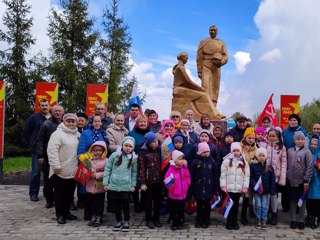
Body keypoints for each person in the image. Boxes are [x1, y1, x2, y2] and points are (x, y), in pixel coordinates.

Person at [47, 113, 80, 224]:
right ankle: (60, 215)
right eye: (68, 121)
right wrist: (55, 165)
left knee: (69, 193)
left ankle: (67, 212)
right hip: (60, 169)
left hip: (73, 169)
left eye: (73, 121)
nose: (71, 123)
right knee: (59, 193)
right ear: (64, 122)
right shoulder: (57, 134)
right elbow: (52, 150)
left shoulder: (78, 134)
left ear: (76, 122)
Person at [77, 114, 109, 220]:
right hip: (89, 162)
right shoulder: (86, 133)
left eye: (99, 121)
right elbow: (82, 149)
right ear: (91, 122)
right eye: (95, 121)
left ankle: (98, 213)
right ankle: (88, 213)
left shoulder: (103, 133)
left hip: (101, 164)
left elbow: (104, 148)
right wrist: (87, 162)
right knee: (89, 192)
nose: (97, 123)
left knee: (99, 194)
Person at [103, 136, 138, 232]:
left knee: (126, 205)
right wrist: (105, 182)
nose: (127, 148)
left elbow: (134, 172)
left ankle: (126, 220)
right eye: (126, 145)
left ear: (133, 148)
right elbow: (107, 169)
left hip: (126, 186)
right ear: (122, 145)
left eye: (130, 146)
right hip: (113, 185)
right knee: (116, 205)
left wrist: (133, 185)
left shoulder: (133, 158)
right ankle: (118, 220)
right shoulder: (115, 155)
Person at [36, 105, 64, 208]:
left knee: (59, 181)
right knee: (48, 180)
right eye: (56, 111)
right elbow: (39, 140)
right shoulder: (46, 124)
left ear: (63, 112)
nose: (58, 113)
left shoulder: (65, 124)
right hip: (48, 157)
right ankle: (49, 200)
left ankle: (58, 199)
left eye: (59, 111)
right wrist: (40, 155)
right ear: (52, 112)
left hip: (62, 157)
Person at [23, 99, 51, 202]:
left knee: (50, 173)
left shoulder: (53, 118)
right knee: (36, 172)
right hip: (37, 150)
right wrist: (33, 143)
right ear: (39, 107)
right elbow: (26, 132)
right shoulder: (33, 118)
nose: (44, 107)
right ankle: (33, 193)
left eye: (46, 105)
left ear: (49, 106)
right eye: (42, 105)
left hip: (51, 150)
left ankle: (48, 193)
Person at [260, 128, 287, 225]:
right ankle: (266, 213)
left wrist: (282, 178)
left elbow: (284, 163)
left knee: (274, 195)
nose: (271, 138)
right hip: (265, 175)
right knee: (266, 195)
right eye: (270, 136)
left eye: (273, 136)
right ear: (267, 136)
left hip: (276, 176)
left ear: (277, 136)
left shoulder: (281, 147)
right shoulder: (263, 145)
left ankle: (275, 214)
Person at [220, 142, 250, 230]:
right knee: (229, 205)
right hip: (229, 188)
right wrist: (223, 185)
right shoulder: (226, 161)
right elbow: (223, 174)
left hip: (238, 188)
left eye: (237, 150)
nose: (236, 152)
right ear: (231, 151)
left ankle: (235, 221)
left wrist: (245, 186)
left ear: (240, 151)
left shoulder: (244, 162)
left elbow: (247, 176)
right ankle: (229, 221)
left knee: (236, 205)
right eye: (234, 151)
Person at [287, 131, 313, 230]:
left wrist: (306, 179)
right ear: (294, 140)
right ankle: (293, 219)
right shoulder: (290, 151)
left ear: (304, 140)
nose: (300, 141)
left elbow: (310, 166)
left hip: (302, 181)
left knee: (302, 201)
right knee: (293, 200)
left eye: (302, 139)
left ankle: (301, 220)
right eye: (298, 139)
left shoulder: (307, 151)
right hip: (291, 181)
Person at [196, 25, 228, 106]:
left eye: (215, 30)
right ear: (209, 31)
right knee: (205, 85)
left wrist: (221, 62)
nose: (213, 32)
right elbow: (199, 56)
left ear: (217, 32)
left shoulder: (221, 43)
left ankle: (214, 105)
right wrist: (199, 70)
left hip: (216, 67)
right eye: (211, 30)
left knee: (215, 87)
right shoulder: (203, 42)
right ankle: (205, 103)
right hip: (206, 65)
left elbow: (226, 56)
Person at [190, 142, 219, 228]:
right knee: (199, 205)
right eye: (204, 152)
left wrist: (216, 188)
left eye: (207, 151)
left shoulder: (212, 161)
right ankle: (199, 220)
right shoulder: (195, 161)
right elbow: (192, 175)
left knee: (207, 206)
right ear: (199, 152)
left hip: (209, 188)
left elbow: (215, 175)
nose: (206, 153)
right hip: (198, 187)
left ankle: (206, 220)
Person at [282, 114, 307, 212]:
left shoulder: (302, 132)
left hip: (299, 162)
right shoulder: (284, 132)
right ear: (288, 121)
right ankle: (285, 206)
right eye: (291, 120)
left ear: (298, 121)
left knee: (297, 186)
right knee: (286, 184)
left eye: (294, 120)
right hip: (287, 161)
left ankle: (297, 207)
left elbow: (306, 146)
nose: (292, 122)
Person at [138, 132, 162, 229]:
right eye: (153, 142)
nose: (156, 143)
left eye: (156, 141)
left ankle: (156, 219)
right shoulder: (143, 152)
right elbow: (141, 169)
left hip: (159, 180)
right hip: (148, 181)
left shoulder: (159, 150)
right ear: (148, 142)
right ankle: (149, 219)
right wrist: (143, 183)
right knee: (148, 202)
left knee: (157, 202)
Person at [128, 114, 151, 212]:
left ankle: (143, 203)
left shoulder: (150, 133)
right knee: (135, 182)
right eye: (141, 122)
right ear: (137, 123)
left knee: (145, 181)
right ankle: (136, 203)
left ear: (147, 123)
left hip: (147, 162)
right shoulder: (132, 133)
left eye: (144, 122)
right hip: (134, 160)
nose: (142, 123)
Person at [250, 147, 276, 230]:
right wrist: (255, 186)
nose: (261, 157)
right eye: (260, 155)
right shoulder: (253, 166)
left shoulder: (269, 166)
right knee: (258, 204)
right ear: (257, 156)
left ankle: (264, 220)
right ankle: (258, 219)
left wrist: (272, 190)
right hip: (257, 190)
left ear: (266, 157)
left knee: (265, 205)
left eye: (263, 155)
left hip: (266, 190)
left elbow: (272, 179)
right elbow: (251, 177)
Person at [165, 150, 191, 231]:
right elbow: (167, 181)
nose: (181, 161)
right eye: (179, 159)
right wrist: (174, 189)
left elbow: (188, 177)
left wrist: (187, 185)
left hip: (183, 194)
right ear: (174, 159)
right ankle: (174, 222)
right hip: (174, 195)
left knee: (180, 209)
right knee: (174, 210)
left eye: (182, 159)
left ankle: (179, 222)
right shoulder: (171, 169)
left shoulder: (185, 168)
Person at [85, 141, 107, 227]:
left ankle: (99, 216)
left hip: (100, 186)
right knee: (92, 202)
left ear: (103, 151)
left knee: (100, 202)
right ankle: (93, 215)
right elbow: (84, 170)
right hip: (90, 185)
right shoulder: (88, 160)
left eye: (100, 150)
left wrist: (97, 175)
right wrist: (88, 174)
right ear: (92, 151)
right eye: (95, 150)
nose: (97, 152)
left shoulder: (106, 161)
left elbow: (107, 172)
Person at [240, 127, 257, 225]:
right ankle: (234, 214)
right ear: (245, 138)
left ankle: (244, 216)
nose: (251, 140)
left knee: (247, 197)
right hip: (240, 175)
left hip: (250, 176)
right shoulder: (239, 147)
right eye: (249, 138)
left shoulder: (256, 148)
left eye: (252, 138)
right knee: (238, 196)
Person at [306, 135, 320, 229]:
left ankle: (315, 218)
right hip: (308, 180)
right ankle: (309, 217)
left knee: (316, 200)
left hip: (317, 180)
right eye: (312, 144)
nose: (313, 145)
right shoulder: (308, 152)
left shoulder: (319, 154)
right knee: (309, 200)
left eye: (315, 144)